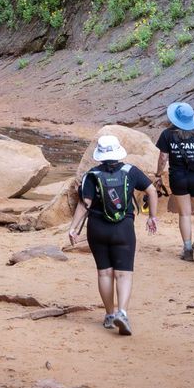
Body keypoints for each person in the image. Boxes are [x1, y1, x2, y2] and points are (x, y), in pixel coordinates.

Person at [64, 133, 157, 335]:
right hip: (123, 228)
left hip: (97, 228)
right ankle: (122, 313)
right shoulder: (130, 171)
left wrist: (73, 228)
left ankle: (108, 314)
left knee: (104, 272)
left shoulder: (92, 175)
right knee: (124, 274)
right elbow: (151, 190)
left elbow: (84, 203)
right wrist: (152, 217)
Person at [155, 101, 194, 261]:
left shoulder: (167, 134)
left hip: (178, 177)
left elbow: (163, 157)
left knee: (185, 214)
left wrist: (158, 174)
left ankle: (187, 249)